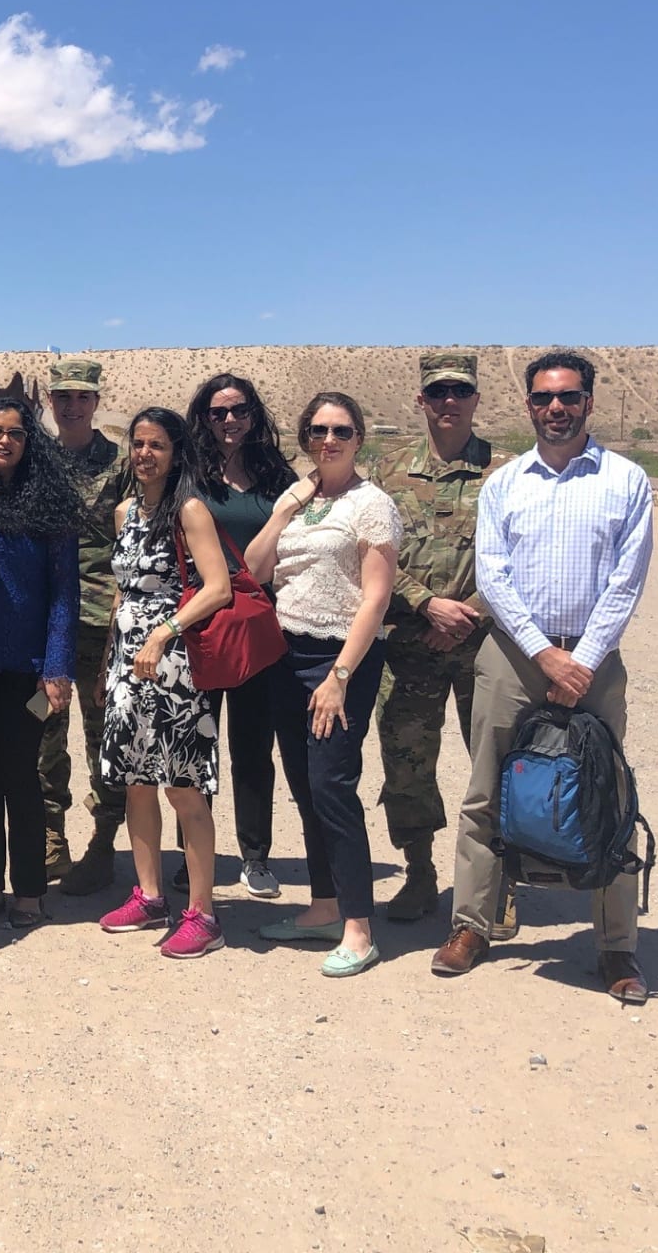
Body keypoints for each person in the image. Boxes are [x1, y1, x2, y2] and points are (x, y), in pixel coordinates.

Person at [432, 351, 654, 1003]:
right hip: (513, 657)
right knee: (486, 791)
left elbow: (627, 580)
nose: (556, 408)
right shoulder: (505, 484)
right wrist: (543, 654)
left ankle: (616, 948)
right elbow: (493, 577)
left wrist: (582, 659)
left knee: (607, 792)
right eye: (543, 398)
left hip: (595, 660)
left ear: (589, 402)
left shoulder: (626, 481)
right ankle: (472, 926)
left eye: (569, 396)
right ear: (529, 405)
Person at [243, 393, 401, 977]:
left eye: (340, 430)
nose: (328, 440)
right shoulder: (298, 498)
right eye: (317, 430)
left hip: (340, 660)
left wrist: (339, 677)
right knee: (306, 787)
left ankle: (359, 928)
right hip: (287, 656)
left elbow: (376, 598)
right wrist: (283, 509)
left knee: (333, 787)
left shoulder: (372, 505)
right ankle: (324, 907)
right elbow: (255, 569)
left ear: (359, 437)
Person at [371, 352, 512, 922]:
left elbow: (523, 557)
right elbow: (370, 553)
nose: (448, 400)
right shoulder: (387, 472)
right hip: (409, 646)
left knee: (498, 765)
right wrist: (427, 605)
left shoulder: (506, 472)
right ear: (421, 400)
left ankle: (498, 882)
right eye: (438, 392)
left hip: (487, 649)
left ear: (476, 398)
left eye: (459, 391)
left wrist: (468, 614)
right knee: (407, 765)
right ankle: (419, 872)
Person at [96, 409, 236, 958]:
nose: (145, 454)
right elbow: (123, 592)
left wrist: (164, 633)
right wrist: (110, 663)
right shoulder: (125, 511)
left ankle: (204, 914)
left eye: (157, 445)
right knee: (135, 782)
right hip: (128, 666)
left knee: (183, 786)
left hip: (176, 666)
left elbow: (218, 588)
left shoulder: (190, 510)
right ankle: (150, 895)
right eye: (138, 443)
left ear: (176, 452)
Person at [0, 399, 79, 930]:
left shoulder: (52, 504)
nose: (3, 441)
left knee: (23, 773)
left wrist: (58, 667)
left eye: (15, 433)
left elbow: (64, 594)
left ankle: (28, 890)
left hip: (29, 670)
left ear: (31, 442)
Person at [183, 373, 298, 900]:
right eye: (218, 412)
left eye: (239, 410)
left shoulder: (277, 476)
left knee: (253, 747)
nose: (229, 420)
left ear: (254, 414)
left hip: (257, 629)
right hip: (202, 626)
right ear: (203, 418)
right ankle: (197, 855)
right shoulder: (190, 474)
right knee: (196, 745)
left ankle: (255, 856)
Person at [43, 358, 136, 896]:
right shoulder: (36, 457)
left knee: (106, 738)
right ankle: (50, 836)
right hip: (47, 622)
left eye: (82, 397)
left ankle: (104, 842)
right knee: (42, 734)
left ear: (96, 402)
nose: (72, 406)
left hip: (104, 624)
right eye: (63, 396)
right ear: (51, 401)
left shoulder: (121, 463)